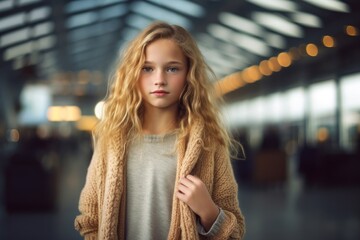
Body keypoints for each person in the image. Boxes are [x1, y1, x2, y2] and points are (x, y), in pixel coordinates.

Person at [74, 21, 245, 240]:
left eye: (172, 68)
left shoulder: (209, 145)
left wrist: (209, 212)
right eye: (148, 68)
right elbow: (90, 220)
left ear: (189, 74)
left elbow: (235, 231)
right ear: (134, 73)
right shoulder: (112, 141)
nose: (160, 80)